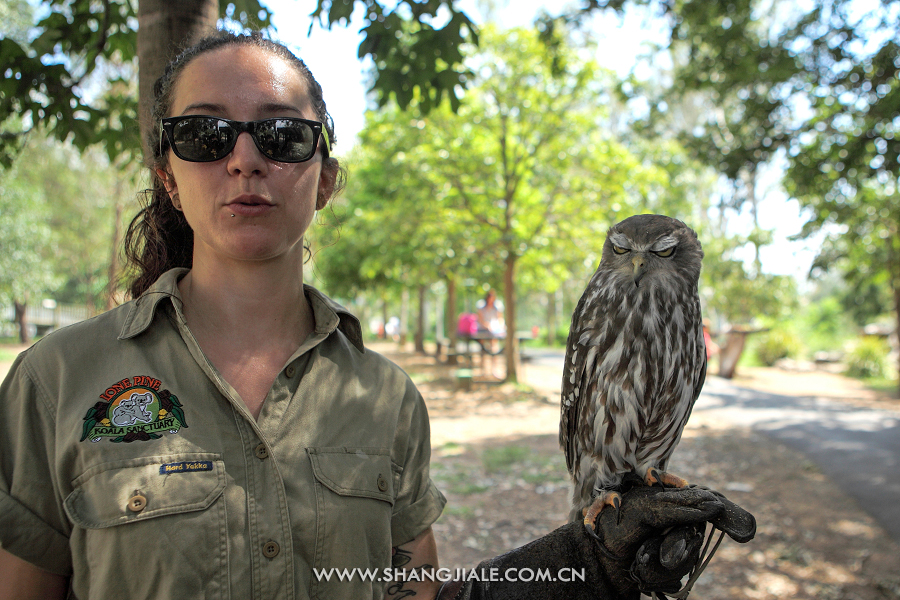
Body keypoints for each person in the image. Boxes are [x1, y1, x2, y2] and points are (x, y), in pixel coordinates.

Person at [0, 31, 753, 600]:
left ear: (324, 178)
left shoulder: (387, 399)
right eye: (204, 134)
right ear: (167, 175)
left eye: (282, 134)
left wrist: (570, 565)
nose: (243, 159)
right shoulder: (58, 379)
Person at [475, 289, 505, 378]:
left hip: (494, 332)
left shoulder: (497, 307)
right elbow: (480, 320)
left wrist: (500, 326)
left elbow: (500, 319)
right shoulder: (481, 306)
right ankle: (482, 370)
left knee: (494, 348)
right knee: (482, 349)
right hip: (483, 330)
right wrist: (487, 326)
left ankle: (494, 370)